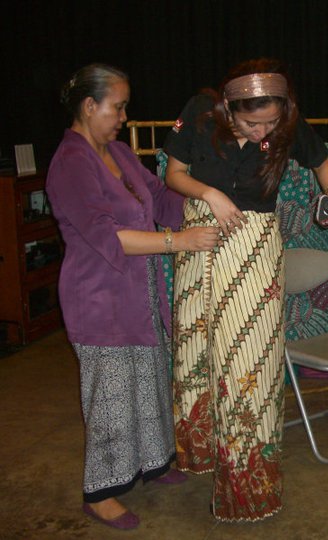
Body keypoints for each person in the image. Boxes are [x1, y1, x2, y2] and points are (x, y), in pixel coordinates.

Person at [163, 57, 328, 521]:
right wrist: (211, 194)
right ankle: (205, 456)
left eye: (270, 122)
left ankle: (247, 485)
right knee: (197, 355)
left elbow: (322, 162)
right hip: (199, 242)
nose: (264, 131)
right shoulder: (200, 112)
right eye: (252, 123)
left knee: (250, 365)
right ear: (228, 108)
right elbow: (174, 174)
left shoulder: (287, 125)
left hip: (254, 247)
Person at [46, 63, 220, 530]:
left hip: (138, 294)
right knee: (111, 397)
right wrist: (179, 242)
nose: (124, 116)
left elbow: (159, 199)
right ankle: (101, 492)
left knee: (148, 382)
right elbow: (108, 235)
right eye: (118, 107)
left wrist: (207, 203)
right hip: (98, 298)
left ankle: (154, 463)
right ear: (89, 106)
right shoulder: (71, 162)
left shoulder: (120, 154)